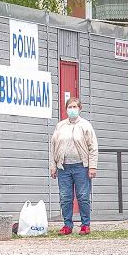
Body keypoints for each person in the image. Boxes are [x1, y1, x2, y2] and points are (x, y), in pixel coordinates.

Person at [49, 97, 98, 236]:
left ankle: (85, 225)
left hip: (81, 167)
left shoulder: (85, 125)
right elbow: (53, 147)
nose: (72, 110)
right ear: (66, 109)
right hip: (63, 168)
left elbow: (93, 147)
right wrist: (53, 166)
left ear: (80, 108)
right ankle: (67, 225)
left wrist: (92, 166)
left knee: (83, 196)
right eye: (69, 107)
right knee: (65, 197)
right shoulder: (60, 126)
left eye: (75, 107)